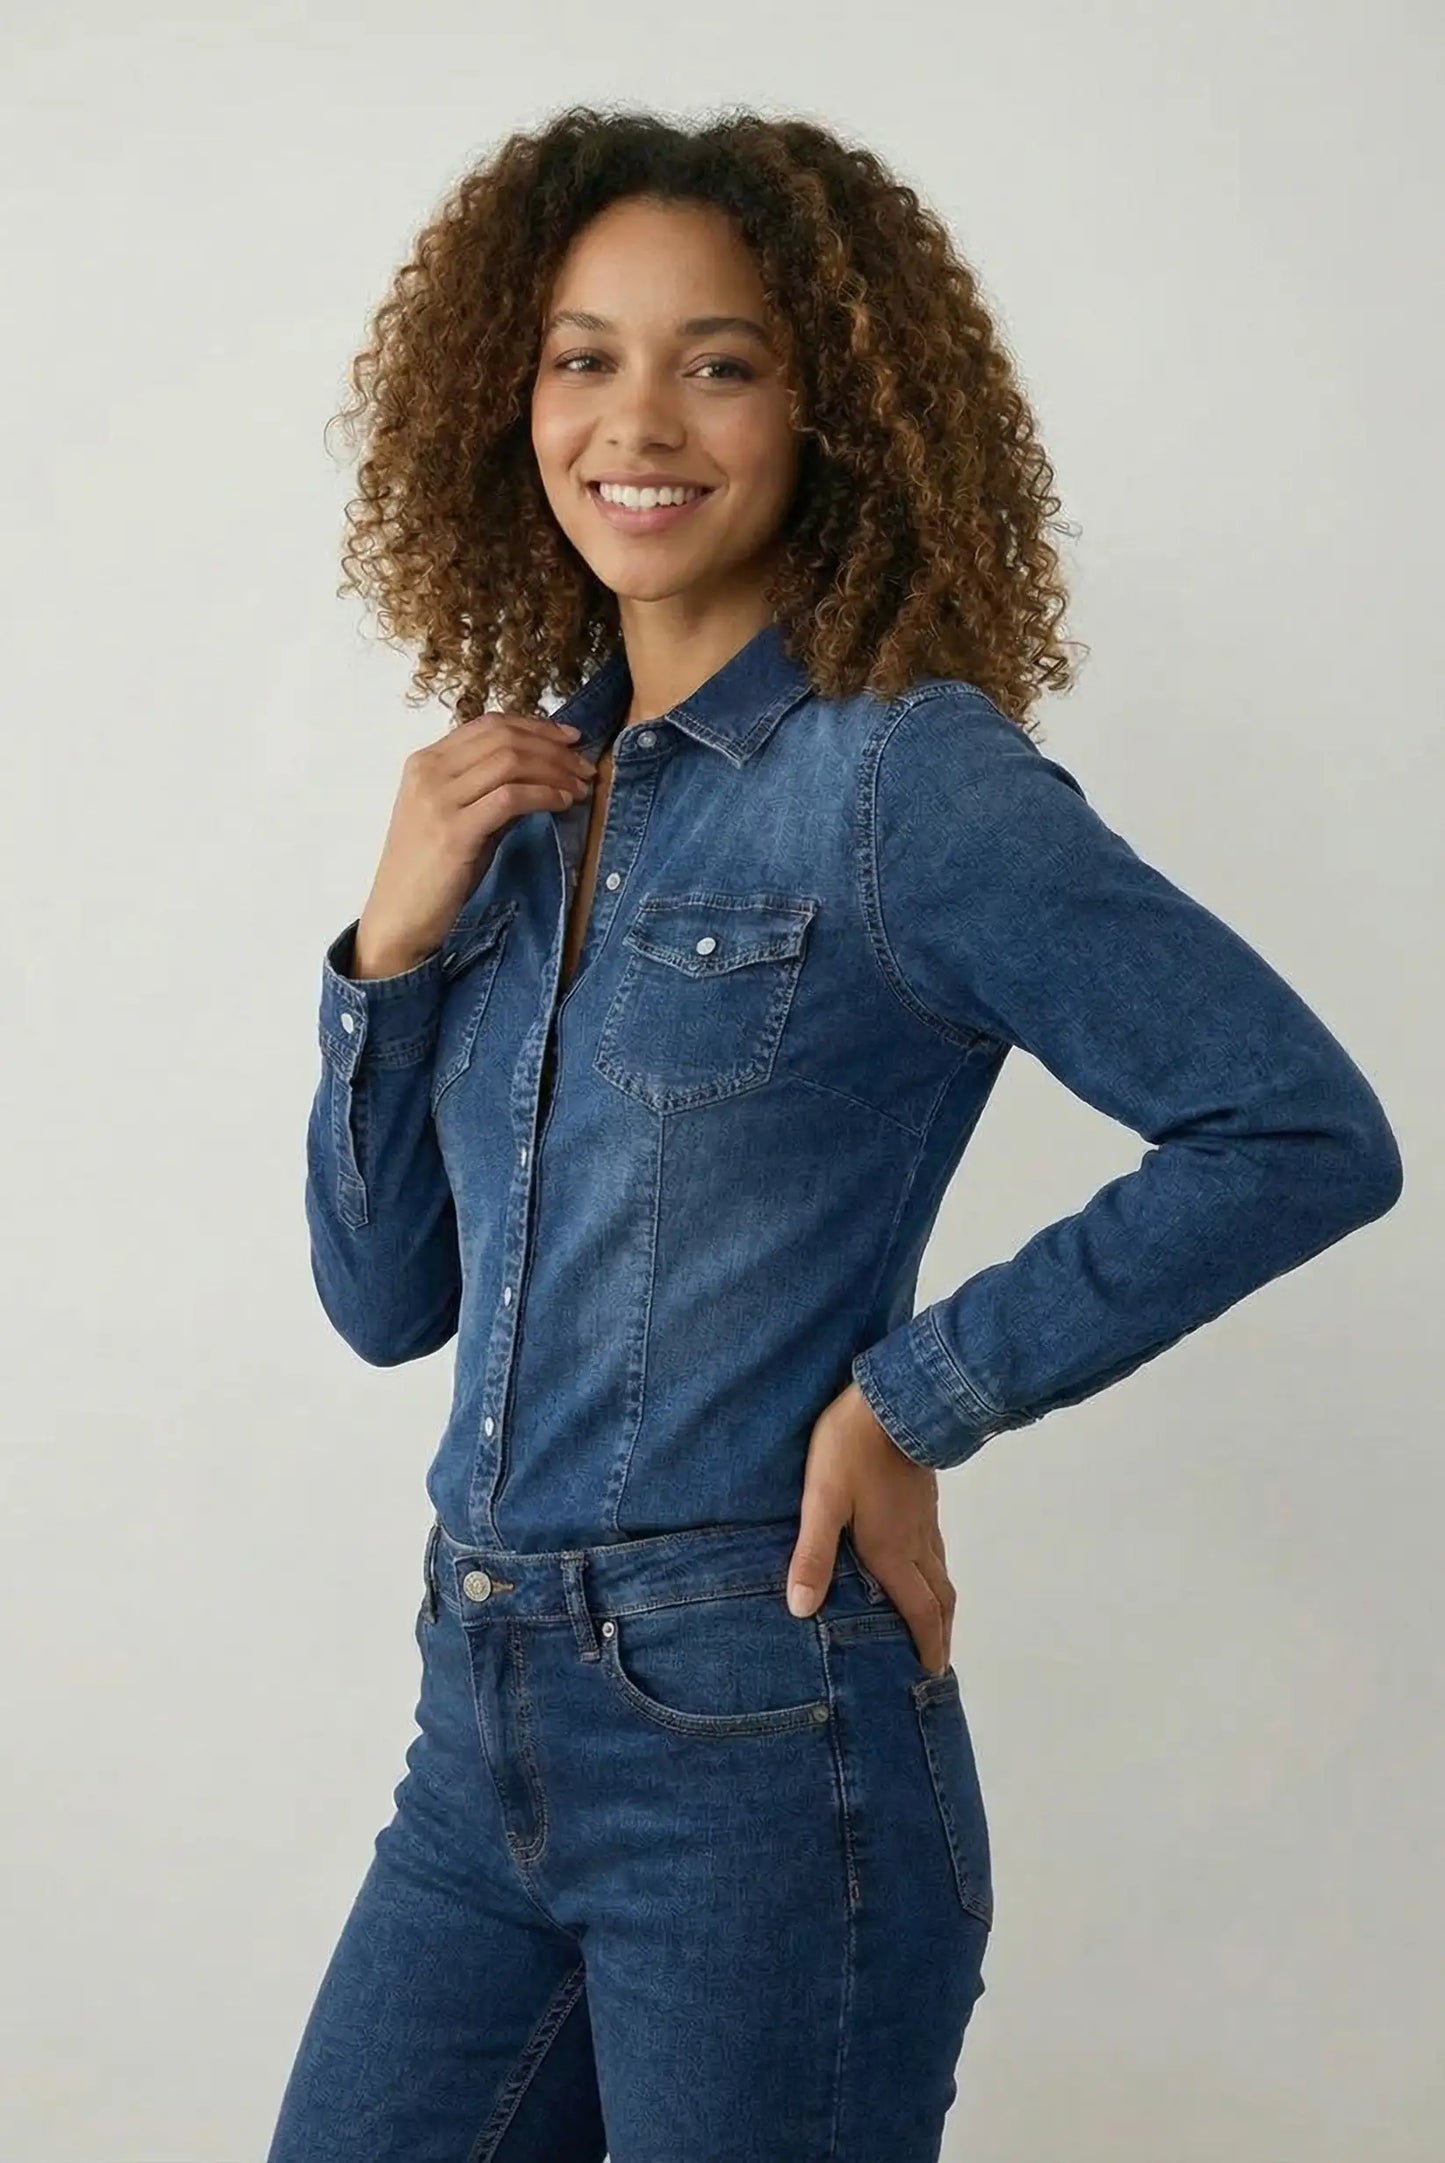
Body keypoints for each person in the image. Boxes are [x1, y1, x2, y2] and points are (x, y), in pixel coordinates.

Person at [267, 105, 1403, 2163]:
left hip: (755, 1747)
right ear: (505, 398)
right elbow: (384, 1303)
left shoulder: (902, 781)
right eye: (582, 354)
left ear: (829, 408)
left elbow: (1297, 1125)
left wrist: (910, 1397)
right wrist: (387, 949)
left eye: (721, 359)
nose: (642, 416)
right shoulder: (513, 800)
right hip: (475, 1724)